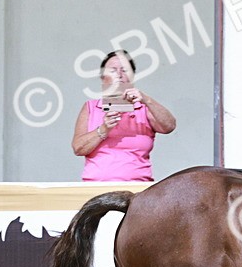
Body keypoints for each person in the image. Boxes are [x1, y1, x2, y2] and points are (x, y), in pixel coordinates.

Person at [72, 50, 177, 182]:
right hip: (96, 188)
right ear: (103, 77)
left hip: (137, 190)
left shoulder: (143, 107)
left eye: (124, 70)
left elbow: (169, 126)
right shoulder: (91, 107)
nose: (119, 75)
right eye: (113, 70)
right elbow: (78, 148)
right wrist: (103, 129)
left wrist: (146, 99)